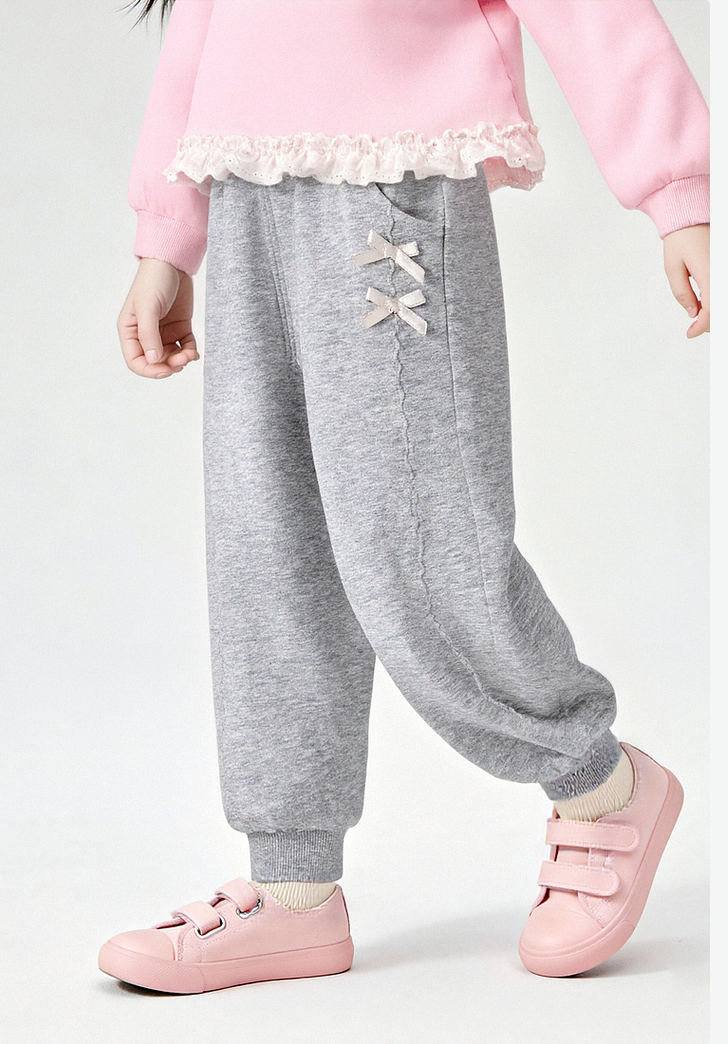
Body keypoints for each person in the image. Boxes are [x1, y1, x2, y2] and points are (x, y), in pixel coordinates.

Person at [99, 0, 710, 993]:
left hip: (391, 180)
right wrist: (166, 238)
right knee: (269, 540)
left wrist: (678, 191)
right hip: (246, 191)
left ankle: (601, 784)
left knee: (420, 542)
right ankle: (293, 885)